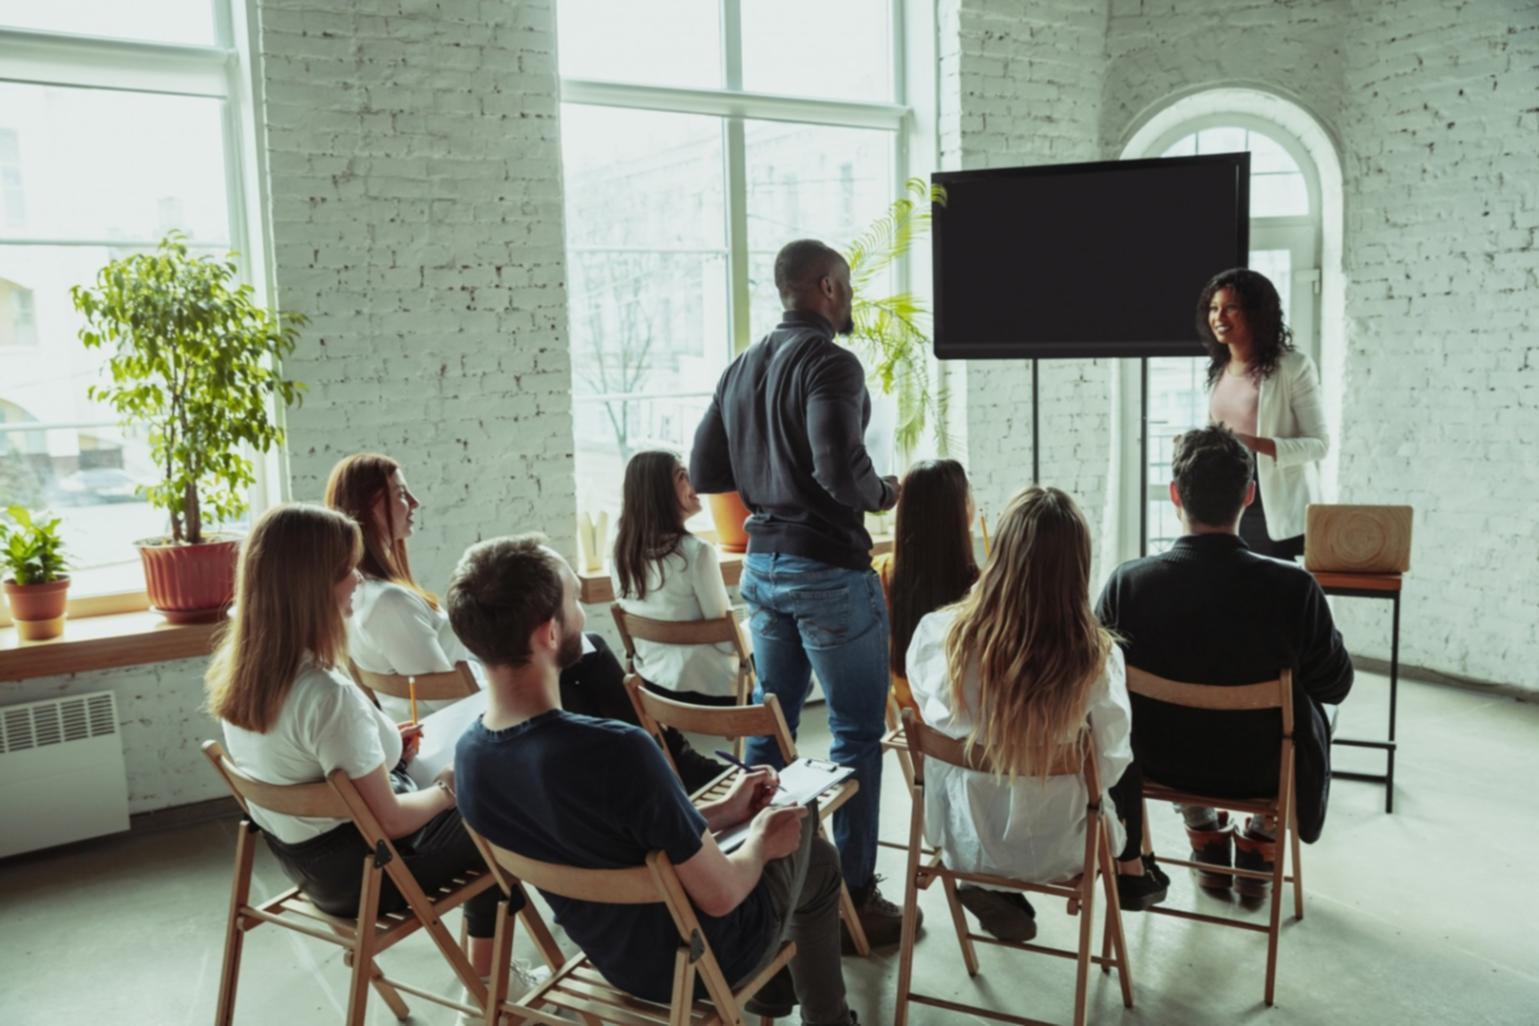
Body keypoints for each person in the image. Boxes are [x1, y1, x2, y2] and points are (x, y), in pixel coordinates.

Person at [450, 535, 859, 1026]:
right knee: (811, 845)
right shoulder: (618, 750)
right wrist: (760, 841)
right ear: (548, 634)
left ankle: (778, 1003)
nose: (583, 615)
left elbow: (612, 845)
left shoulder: (470, 760)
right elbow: (722, 893)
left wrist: (723, 813)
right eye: (576, 601)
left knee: (800, 852)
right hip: (702, 960)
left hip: (615, 962)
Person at [206, 503, 524, 1018]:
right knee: (501, 809)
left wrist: (376, 747)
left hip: (307, 867)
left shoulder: (238, 675)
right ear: (312, 588)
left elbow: (307, 761)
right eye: (344, 570)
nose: (356, 578)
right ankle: (485, 983)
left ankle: (484, 975)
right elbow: (391, 821)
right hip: (370, 878)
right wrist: (448, 789)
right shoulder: (326, 693)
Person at [690, 238, 908, 946]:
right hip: (828, 573)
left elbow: (701, 464)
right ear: (824, 287)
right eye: (843, 286)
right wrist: (886, 494)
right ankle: (853, 902)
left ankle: (764, 892)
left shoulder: (741, 366)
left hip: (763, 568)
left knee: (769, 735)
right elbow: (841, 474)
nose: (848, 299)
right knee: (853, 737)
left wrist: (763, 509)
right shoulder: (830, 362)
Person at [324, 452, 724, 791]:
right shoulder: (388, 602)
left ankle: (664, 759)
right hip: (458, 739)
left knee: (587, 652)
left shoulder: (367, 597)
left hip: (457, 724)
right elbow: (451, 700)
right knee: (588, 653)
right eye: (400, 494)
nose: (415, 502)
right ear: (370, 506)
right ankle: (669, 761)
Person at [1096, 425, 1353, 901]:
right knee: (1319, 708)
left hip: (1158, 761)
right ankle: (1263, 837)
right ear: (1249, 495)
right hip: (1263, 768)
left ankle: (1202, 829)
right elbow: (1335, 685)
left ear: (1175, 495)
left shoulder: (1127, 584)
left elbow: (1095, 685)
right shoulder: (1295, 589)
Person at [905, 487, 1167, 942]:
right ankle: (1132, 868)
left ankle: (989, 883)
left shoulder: (938, 638)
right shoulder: (1096, 659)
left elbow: (937, 719)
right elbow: (1108, 769)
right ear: (1078, 568)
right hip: (1065, 850)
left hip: (964, 839)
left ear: (1000, 555)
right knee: (1119, 752)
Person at [1199, 267, 1328, 562]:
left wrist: (1252, 443)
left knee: (1273, 598)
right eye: (1213, 308)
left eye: (1231, 308)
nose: (1219, 318)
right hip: (1225, 500)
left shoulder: (1294, 367)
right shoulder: (1218, 369)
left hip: (1275, 507)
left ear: (1256, 313)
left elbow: (1319, 445)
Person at [611, 450, 740, 707]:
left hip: (654, 685)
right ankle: (768, 747)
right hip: (711, 689)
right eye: (683, 475)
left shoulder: (620, 551)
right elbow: (728, 645)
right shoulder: (697, 553)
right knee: (792, 676)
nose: (695, 481)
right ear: (660, 493)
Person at [872, 458, 979, 720]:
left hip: (910, 714)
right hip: (963, 726)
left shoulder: (880, 573)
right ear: (961, 512)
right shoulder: (980, 586)